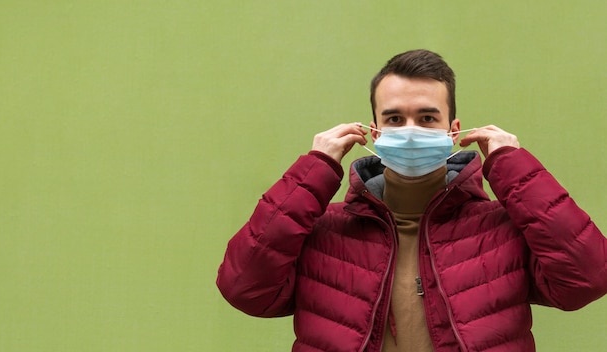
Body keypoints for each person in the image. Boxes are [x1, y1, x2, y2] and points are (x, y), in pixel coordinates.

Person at [216, 49, 607, 351]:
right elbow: (244, 289)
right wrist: (315, 168)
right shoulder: (324, 231)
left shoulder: (501, 227)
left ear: (454, 131)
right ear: (374, 131)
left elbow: (588, 277)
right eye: (395, 119)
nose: (410, 131)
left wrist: (512, 166)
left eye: (426, 118)